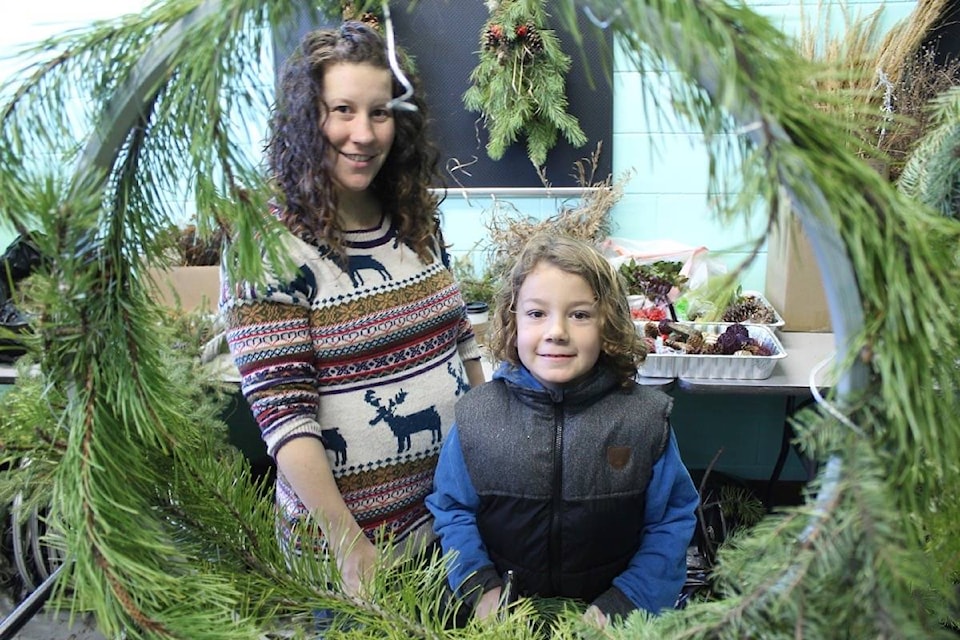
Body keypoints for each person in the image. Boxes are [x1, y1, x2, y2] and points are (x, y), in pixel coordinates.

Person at [219, 20, 485, 603]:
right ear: (306, 119)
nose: (362, 133)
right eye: (342, 109)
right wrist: (347, 544)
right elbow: (285, 418)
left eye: (380, 112)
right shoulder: (266, 245)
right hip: (355, 559)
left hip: (451, 531)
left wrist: (488, 468)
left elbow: (462, 344)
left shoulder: (413, 217)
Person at [426, 233, 699, 627]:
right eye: (537, 314)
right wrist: (480, 588)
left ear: (608, 323)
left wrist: (627, 600)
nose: (557, 331)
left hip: (613, 621)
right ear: (512, 320)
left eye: (580, 314)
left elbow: (671, 521)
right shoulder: (477, 417)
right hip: (504, 621)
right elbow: (452, 509)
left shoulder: (644, 418)